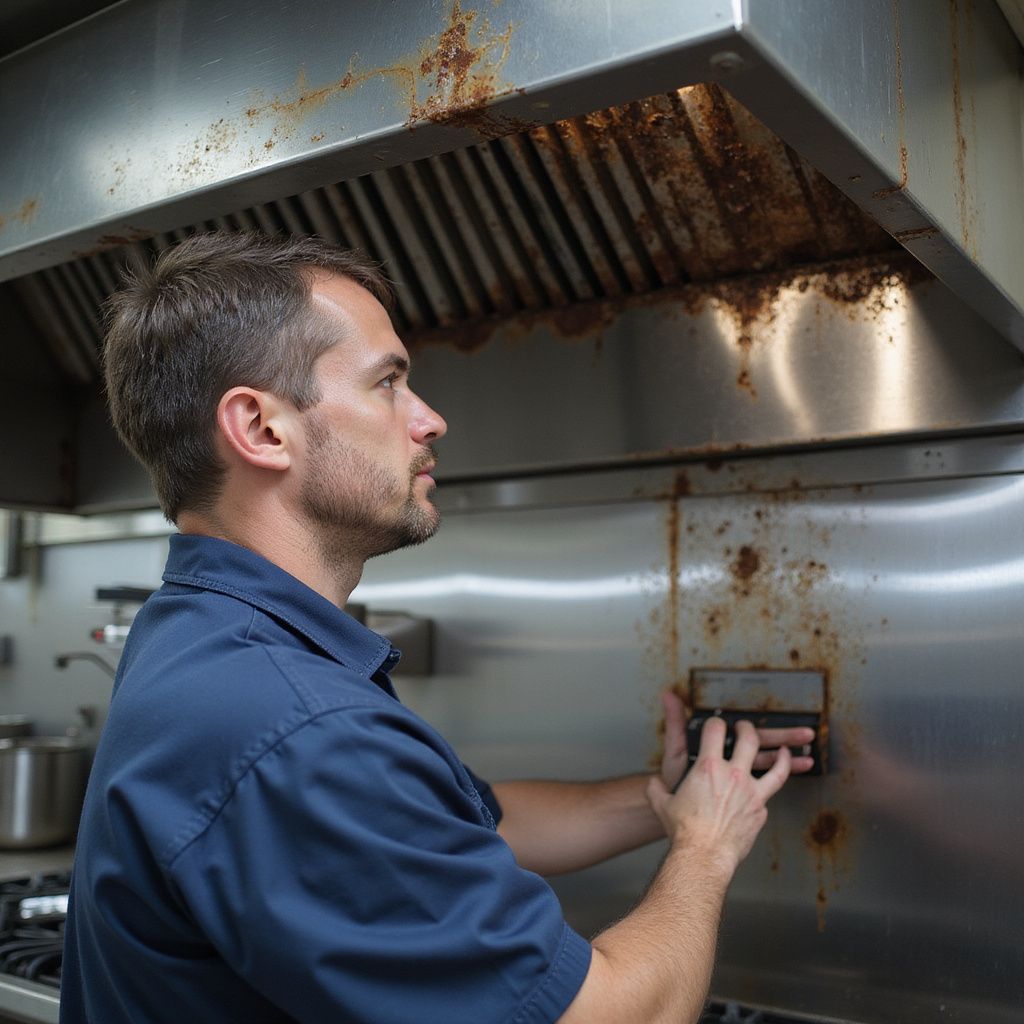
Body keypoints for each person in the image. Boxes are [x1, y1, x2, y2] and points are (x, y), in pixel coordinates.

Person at [61, 231, 815, 1024]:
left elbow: (468, 827)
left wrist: (668, 796)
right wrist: (705, 846)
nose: (431, 419)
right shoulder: (297, 728)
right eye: (388, 383)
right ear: (260, 429)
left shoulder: (206, 635)